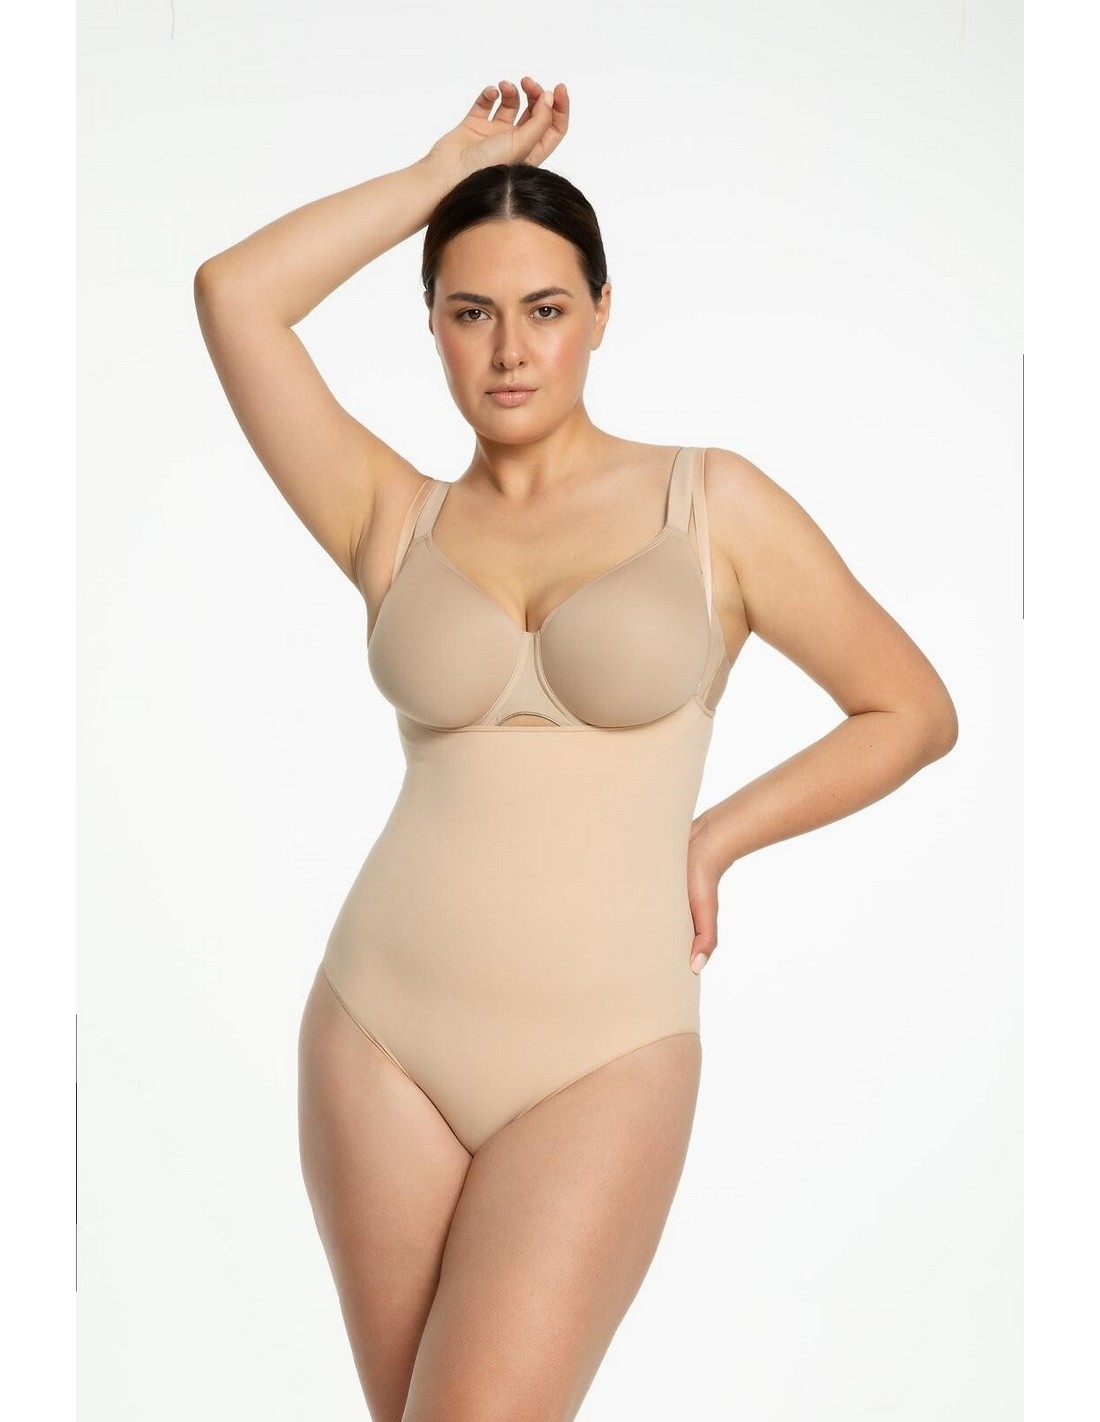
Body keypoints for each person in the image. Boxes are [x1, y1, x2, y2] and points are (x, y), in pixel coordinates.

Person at [193, 76, 958, 1422]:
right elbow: (233, 295)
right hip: (377, 1036)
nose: (510, 350)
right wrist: (438, 177)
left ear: (602, 313)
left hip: (605, 1052)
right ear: (432, 324)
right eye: (470, 311)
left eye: (545, 310)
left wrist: (715, 837)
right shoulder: (389, 513)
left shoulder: (710, 503)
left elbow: (910, 708)